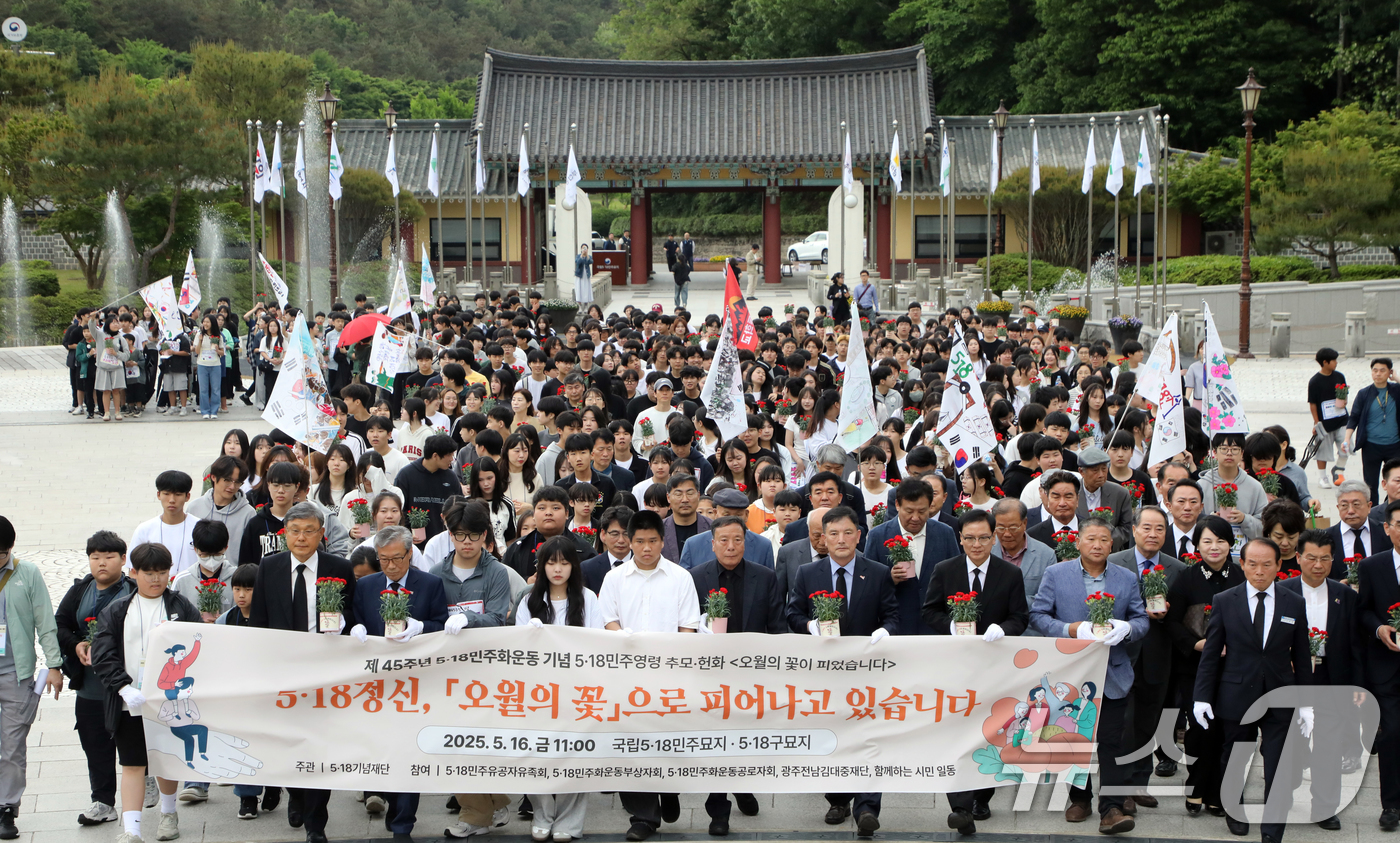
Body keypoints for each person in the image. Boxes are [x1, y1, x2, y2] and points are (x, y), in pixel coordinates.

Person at [1029, 513, 1148, 833]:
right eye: (1091, 539)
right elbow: (1038, 615)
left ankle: (1111, 808)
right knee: (1072, 737)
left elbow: (1141, 620)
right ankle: (1079, 799)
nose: (1097, 545)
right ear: (1078, 542)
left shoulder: (1126, 577)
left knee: (1112, 741)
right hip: (1072, 672)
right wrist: (1071, 629)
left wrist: (1127, 629)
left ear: (1112, 544)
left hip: (1113, 672)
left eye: (1104, 540)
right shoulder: (1056, 573)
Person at [247, 503, 356, 843]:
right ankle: (295, 793)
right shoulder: (270, 567)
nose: (302, 538)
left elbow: (352, 617)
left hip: (325, 672)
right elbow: (259, 621)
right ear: (285, 534)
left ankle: (315, 823)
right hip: (283, 672)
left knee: (320, 747)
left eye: (309, 531)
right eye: (295, 531)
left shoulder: (339, 567)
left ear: (322, 533)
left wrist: (343, 623)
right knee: (289, 742)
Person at [1193, 538, 1313, 843]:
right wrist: (1201, 698)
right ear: (1243, 564)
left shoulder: (1293, 602)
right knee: (1235, 757)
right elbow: (1211, 655)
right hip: (1236, 694)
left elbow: (1302, 656)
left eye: (1267, 564)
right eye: (1253, 564)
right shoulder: (1225, 600)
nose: (1260, 571)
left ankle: (1272, 831)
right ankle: (1234, 810)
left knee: (1278, 763)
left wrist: (1307, 702)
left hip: (1280, 694)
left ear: (1279, 565)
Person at [787, 507, 897, 837]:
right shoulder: (808, 573)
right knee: (831, 736)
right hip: (825, 674)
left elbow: (892, 615)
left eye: (848, 533)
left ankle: (867, 807)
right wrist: (810, 625)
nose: (841, 540)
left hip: (867, 672)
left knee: (868, 738)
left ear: (859, 535)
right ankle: (837, 800)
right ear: (823, 538)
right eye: (833, 534)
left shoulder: (877, 572)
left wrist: (886, 631)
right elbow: (792, 613)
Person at [921, 510, 1028, 835]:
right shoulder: (945, 570)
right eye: (970, 538)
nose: (976, 544)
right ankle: (960, 807)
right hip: (955, 667)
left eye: (983, 538)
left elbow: (1020, 616)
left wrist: (1003, 628)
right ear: (961, 539)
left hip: (994, 668)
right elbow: (929, 610)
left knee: (989, 733)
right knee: (956, 733)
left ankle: (982, 797)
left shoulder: (1009, 573)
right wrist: (951, 626)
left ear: (994, 538)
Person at [597, 510, 700, 841]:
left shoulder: (680, 577)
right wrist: (626, 642)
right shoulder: (614, 578)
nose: (645, 548)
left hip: (668, 675)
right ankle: (643, 816)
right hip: (625, 676)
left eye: (652, 541)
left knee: (665, 740)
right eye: (639, 541)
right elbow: (607, 620)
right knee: (629, 743)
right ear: (629, 541)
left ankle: (668, 789)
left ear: (662, 540)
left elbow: (688, 626)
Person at [90, 543, 201, 843]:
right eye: (149, 573)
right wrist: (122, 687)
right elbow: (103, 654)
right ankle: (132, 829)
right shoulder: (118, 610)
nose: (156, 579)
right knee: (132, 763)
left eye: (162, 573)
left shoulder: (180, 606)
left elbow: (199, 647)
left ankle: (168, 813)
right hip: (130, 701)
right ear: (133, 573)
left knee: (166, 759)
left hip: (169, 701)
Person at [347, 527, 448, 843]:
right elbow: (355, 620)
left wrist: (420, 627)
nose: (390, 566)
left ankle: (403, 823)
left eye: (396, 559)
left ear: (409, 554)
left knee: (408, 751)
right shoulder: (366, 586)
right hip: (375, 684)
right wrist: (355, 628)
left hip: (415, 683)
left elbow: (442, 625)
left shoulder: (430, 584)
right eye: (384, 559)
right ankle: (386, 798)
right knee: (380, 748)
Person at [518, 536, 605, 842]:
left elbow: (597, 643)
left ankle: (569, 821)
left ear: (574, 566)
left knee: (575, 755)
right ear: (541, 566)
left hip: (577, 691)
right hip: (538, 693)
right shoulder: (529, 601)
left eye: (565, 563)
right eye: (551, 563)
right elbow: (518, 651)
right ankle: (542, 815)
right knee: (537, 753)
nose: (558, 569)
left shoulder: (588, 599)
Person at [1279, 529, 1364, 830]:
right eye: (1312, 558)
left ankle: (1325, 807)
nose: (1318, 565)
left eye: (1325, 559)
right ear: (1298, 557)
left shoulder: (1345, 596)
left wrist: (1358, 684)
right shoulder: (1282, 590)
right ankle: (1285, 790)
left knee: (1329, 743)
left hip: (1331, 676)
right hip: (1291, 676)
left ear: (1333, 559)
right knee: (1289, 740)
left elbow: (1356, 643)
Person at [56, 530, 135, 829]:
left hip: (124, 686)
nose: (101, 563)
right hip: (89, 687)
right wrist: (76, 644)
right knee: (94, 744)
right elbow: (60, 624)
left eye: (109, 557)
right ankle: (102, 801)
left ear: (123, 559)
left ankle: (145, 787)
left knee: (131, 743)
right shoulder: (80, 590)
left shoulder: (133, 591)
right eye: (95, 557)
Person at [1106, 506, 1185, 807]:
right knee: (1122, 723)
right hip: (1120, 655)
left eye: (1160, 529)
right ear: (1135, 530)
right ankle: (1120, 787)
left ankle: (1139, 782)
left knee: (1147, 721)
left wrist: (1167, 616)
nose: (1153, 534)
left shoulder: (1177, 569)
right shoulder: (1115, 562)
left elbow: (1182, 618)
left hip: (1157, 656)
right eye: (1147, 528)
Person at [1165, 515, 1242, 818]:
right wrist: (1197, 644)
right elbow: (1172, 623)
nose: (1214, 547)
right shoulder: (1186, 578)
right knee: (1199, 728)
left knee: (1225, 729)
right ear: (1196, 545)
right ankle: (1196, 785)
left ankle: (1217, 793)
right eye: (1207, 541)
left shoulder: (1241, 576)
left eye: (1220, 541)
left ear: (1230, 544)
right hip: (1195, 667)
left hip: (1233, 667)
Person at [0, 517, 62, 838]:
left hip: (17, 673)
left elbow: (45, 621)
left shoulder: (27, 574)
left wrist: (54, 665)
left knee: (12, 745)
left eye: (2, 553)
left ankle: (7, 808)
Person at [865, 478, 958, 636]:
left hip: (936, 628)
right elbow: (867, 584)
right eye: (909, 511)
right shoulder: (878, 536)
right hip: (895, 627)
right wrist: (889, 579)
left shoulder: (945, 533)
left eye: (922, 512)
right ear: (897, 505)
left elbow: (956, 576)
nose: (915, 517)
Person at [1358, 499, 1400, 832]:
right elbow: (1363, 610)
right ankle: (1392, 804)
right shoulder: (1372, 566)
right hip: (1387, 666)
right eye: (1399, 524)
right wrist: (1379, 629)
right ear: (1387, 528)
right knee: (1392, 734)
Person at [1346, 357, 1400, 504]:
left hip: (1395, 445)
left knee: (1396, 482)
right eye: (1375, 370)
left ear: (1389, 372)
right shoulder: (1364, 393)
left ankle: (1391, 508)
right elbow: (1354, 417)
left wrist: (1397, 378)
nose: (1378, 374)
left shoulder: (1396, 390)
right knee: (1370, 484)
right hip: (1371, 445)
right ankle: (1374, 512)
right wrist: (1347, 439)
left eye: (1382, 370)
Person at [395, 434, 465, 546]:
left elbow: (460, 507)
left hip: (444, 543)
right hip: (413, 544)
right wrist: (406, 534)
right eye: (449, 455)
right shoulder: (406, 475)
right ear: (435, 456)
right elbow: (398, 509)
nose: (452, 459)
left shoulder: (451, 477)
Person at [129, 470, 199, 578]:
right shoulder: (144, 530)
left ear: (187, 496)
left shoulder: (199, 527)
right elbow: (133, 570)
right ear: (158, 495)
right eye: (166, 494)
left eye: (178, 494)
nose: (172, 500)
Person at [989, 498, 1055, 610]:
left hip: (1030, 619)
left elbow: (1049, 598)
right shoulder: (986, 551)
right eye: (1000, 528)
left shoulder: (1046, 555)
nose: (1007, 534)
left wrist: (1009, 601)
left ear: (1024, 523)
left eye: (1013, 528)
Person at [1328, 480, 1391, 577]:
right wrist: (1339, 584)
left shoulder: (1386, 533)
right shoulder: (1327, 538)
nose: (1351, 511)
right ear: (1338, 507)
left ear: (1369, 506)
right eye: (1344, 505)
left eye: (1356, 504)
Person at [1308, 347, 1350, 489]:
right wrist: (1316, 423)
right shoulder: (1315, 381)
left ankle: (1338, 469)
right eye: (1334, 360)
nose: (1336, 363)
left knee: (1346, 446)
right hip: (1324, 423)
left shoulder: (1339, 376)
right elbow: (1313, 404)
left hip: (1342, 419)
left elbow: (1344, 393)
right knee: (1323, 451)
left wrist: (1344, 401)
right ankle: (1322, 477)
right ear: (1325, 362)